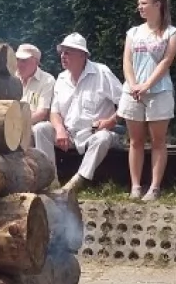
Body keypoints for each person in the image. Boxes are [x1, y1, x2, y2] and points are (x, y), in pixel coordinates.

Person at [32, 33, 123, 194]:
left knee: (103, 137)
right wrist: (59, 129)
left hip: (96, 133)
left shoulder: (102, 73)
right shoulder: (61, 78)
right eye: (62, 52)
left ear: (82, 55)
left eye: (68, 52)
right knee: (40, 129)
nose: (63, 56)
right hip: (68, 135)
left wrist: (110, 121)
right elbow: (54, 112)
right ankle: (51, 182)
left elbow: (125, 102)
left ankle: (77, 181)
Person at [117, 0, 176, 202]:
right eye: (139, 3)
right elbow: (127, 60)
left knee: (157, 141)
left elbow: (166, 62)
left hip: (159, 92)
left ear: (158, 5)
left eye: (144, 3)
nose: (140, 7)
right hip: (132, 92)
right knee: (135, 141)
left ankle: (154, 187)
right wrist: (134, 84)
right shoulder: (133, 32)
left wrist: (146, 85)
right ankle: (135, 186)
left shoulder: (173, 32)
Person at [15, 43, 55, 125]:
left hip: (32, 128)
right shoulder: (12, 78)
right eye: (17, 59)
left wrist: (20, 125)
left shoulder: (47, 80)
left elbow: (42, 113)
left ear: (36, 62)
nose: (19, 64)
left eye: (23, 61)